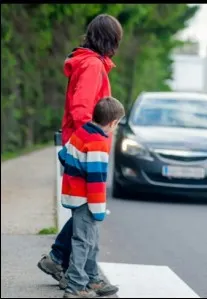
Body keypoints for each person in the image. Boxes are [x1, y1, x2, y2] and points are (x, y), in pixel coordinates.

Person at [37, 14, 123, 292]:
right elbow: (82, 110)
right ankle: (79, 277)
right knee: (86, 213)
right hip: (85, 147)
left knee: (83, 212)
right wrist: (95, 139)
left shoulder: (89, 63)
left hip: (79, 143)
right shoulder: (92, 66)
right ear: (110, 40)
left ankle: (61, 261)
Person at [59, 97, 125, 298]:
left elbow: (63, 154)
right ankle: (76, 286)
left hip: (73, 193)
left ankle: (92, 279)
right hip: (86, 200)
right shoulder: (98, 143)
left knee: (91, 240)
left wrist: (76, 168)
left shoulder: (82, 131)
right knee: (82, 241)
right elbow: (96, 180)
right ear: (113, 123)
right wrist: (98, 210)